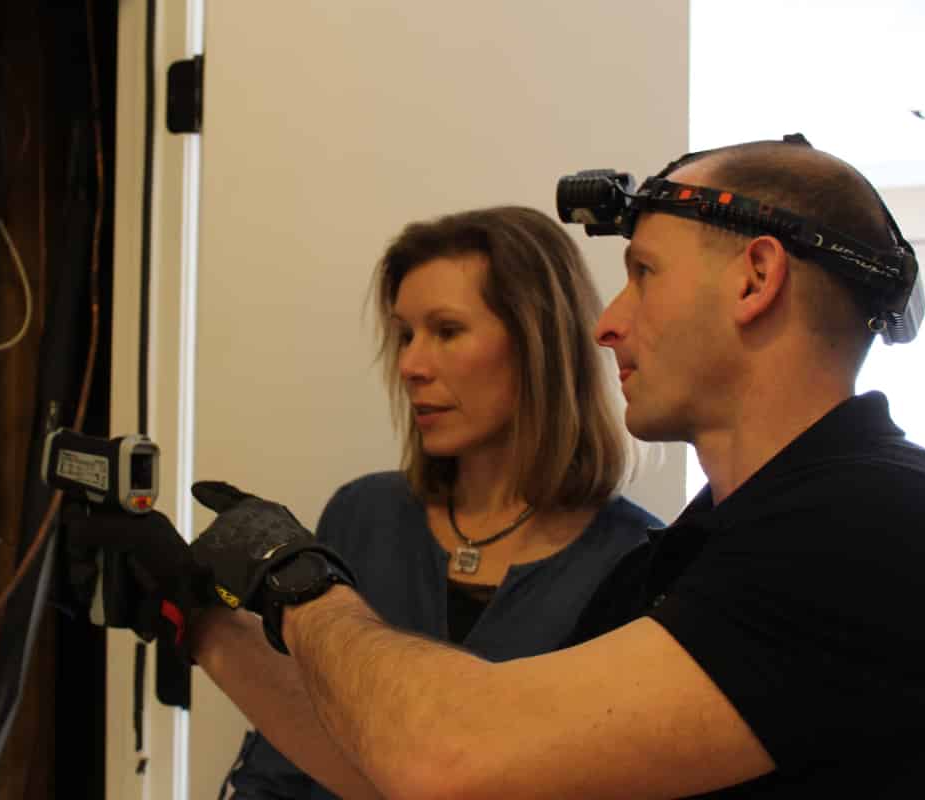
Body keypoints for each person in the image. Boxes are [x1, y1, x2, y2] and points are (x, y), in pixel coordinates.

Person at [116, 136, 925, 798]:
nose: (609, 325)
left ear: (756, 279)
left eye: (643, 274)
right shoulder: (680, 567)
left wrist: (294, 584)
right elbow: (415, 775)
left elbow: (450, 754)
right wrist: (203, 623)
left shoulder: (879, 520)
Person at [220, 207, 661, 798]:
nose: (410, 365)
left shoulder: (636, 562)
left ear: (538, 343)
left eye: (446, 332)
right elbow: (278, 770)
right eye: (405, 335)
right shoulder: (362, 515)